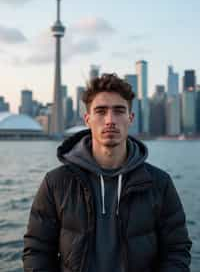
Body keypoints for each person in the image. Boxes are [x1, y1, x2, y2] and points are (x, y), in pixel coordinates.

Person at [23, 73, 192, 272]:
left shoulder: (159, 183)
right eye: (101, 111)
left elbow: (176, 250)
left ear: (131, 118)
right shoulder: (56, 182)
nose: (110, 120)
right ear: (87, 119)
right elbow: (37, 251)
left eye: (119, 111)